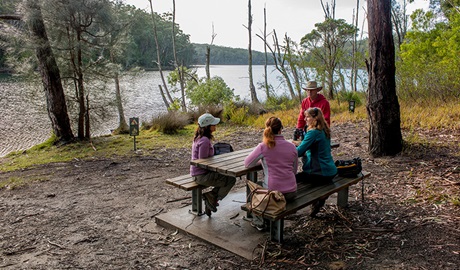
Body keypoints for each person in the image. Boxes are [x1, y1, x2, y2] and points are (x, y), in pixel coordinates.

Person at [244, 117, 298, 230]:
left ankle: (259, 221)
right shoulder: (292, 146)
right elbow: (294, 170)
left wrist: (263, 160)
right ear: (280, 130)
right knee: (261, 184)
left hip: (273, 193)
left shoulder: (263, 146)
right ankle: (262, 217)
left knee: (253, 187)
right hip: (291, 191)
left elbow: (248, 163)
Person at [190, 113, 236, 217]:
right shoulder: (204, 140)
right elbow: (203, 162)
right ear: (207, 127)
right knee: (231, 179)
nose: (215, 126)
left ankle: (211, 197)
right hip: (201, 175)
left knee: (228, 178)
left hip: (198, 173)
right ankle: (212, 197)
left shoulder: (199, 137)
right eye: (213, 124)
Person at [294, 107, 337, 217]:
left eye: (307, 117)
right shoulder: (324, 130)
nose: (305, 119)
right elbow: (308, 144)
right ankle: (318, 201)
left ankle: (290, 208)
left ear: (315, 118)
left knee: (291, 180)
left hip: (320, 174)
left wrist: (287, 147)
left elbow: (298, 152)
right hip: (331, 171)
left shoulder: (313, 133)